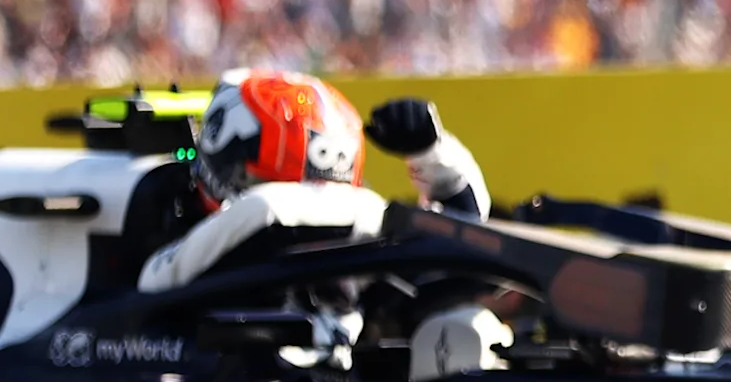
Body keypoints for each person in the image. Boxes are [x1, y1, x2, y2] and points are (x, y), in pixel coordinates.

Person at [138, 72, 489, 293]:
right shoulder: (175, 244)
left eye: (322, 183)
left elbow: (471, 250)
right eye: (289, 181)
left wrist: (432, 154)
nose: (320, 203)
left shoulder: (364, 242)